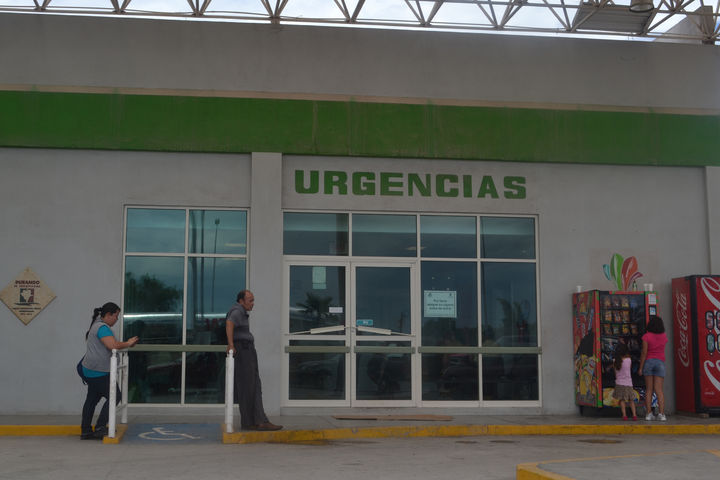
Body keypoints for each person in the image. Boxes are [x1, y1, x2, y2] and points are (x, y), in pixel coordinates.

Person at [80, 302, 139, 439]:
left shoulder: (97, 325)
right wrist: (128, 343)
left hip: (91, 370)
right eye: (116, 316)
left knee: (92, 399)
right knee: (115, 396)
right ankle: (100, 427)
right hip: (98, 372)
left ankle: (86, 430)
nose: (117, 319)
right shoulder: (102, 327)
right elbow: (112, 345)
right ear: (108, 315)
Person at [226, 290, 282, 431]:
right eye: (250, 300)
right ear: (241, 301)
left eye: (253, 300)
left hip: (245, 349)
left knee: (248, 386)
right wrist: (231, 344)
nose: (253, 303)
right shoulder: (237, 311)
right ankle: (260, 421)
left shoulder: (241, 312)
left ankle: (249, 422)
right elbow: (229, 323)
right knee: (253, 385)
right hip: (244, 350)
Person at [638, 315, 668, 421]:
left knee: (649, 390)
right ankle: (662, 414)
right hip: (660, 363)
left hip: (649, 362)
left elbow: (644, 353)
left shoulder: (646, 336)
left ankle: (648, 413)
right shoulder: (664, 336)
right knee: (659, 390)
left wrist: (640, 368)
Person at [612, 343, 637, 421]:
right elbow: (629, 369)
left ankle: (624, 415)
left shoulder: (615, 361)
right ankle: (634, 415)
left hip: (619, 383)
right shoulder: (629, 360)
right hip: (628, 383)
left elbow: (615, 373)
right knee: (631, 400)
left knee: (622, 400)